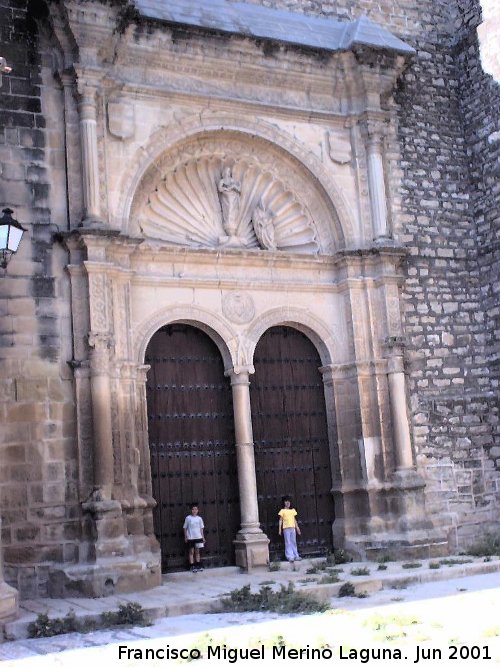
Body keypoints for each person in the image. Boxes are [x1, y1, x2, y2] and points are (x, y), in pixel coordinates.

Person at [278, 496, 302, 562]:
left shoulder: (293, 510)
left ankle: (296, 555)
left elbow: (294, 520)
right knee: (288, 542)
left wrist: (297, 528)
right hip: (286, 528)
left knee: (293, 542)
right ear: (283, 502)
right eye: (286, 501)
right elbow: (280, 520)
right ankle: (290, 556)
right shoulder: (282, 511)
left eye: (288, 501)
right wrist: (280, 529)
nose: (287, 503)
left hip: (292, 527)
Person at [183, 502, 205, 572]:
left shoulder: (199, 518)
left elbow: (201, 528)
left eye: (196, 509)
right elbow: (185, 528)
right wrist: (186, 537)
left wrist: (203, 537)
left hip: (198, 537)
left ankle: (198, 564)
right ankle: (192, 566)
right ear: (191, 510)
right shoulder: (188, 518)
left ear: (198, 510)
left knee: (197, 552)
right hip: (191, 538)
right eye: (193, 509)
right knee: (191, 552)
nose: (194, 511)